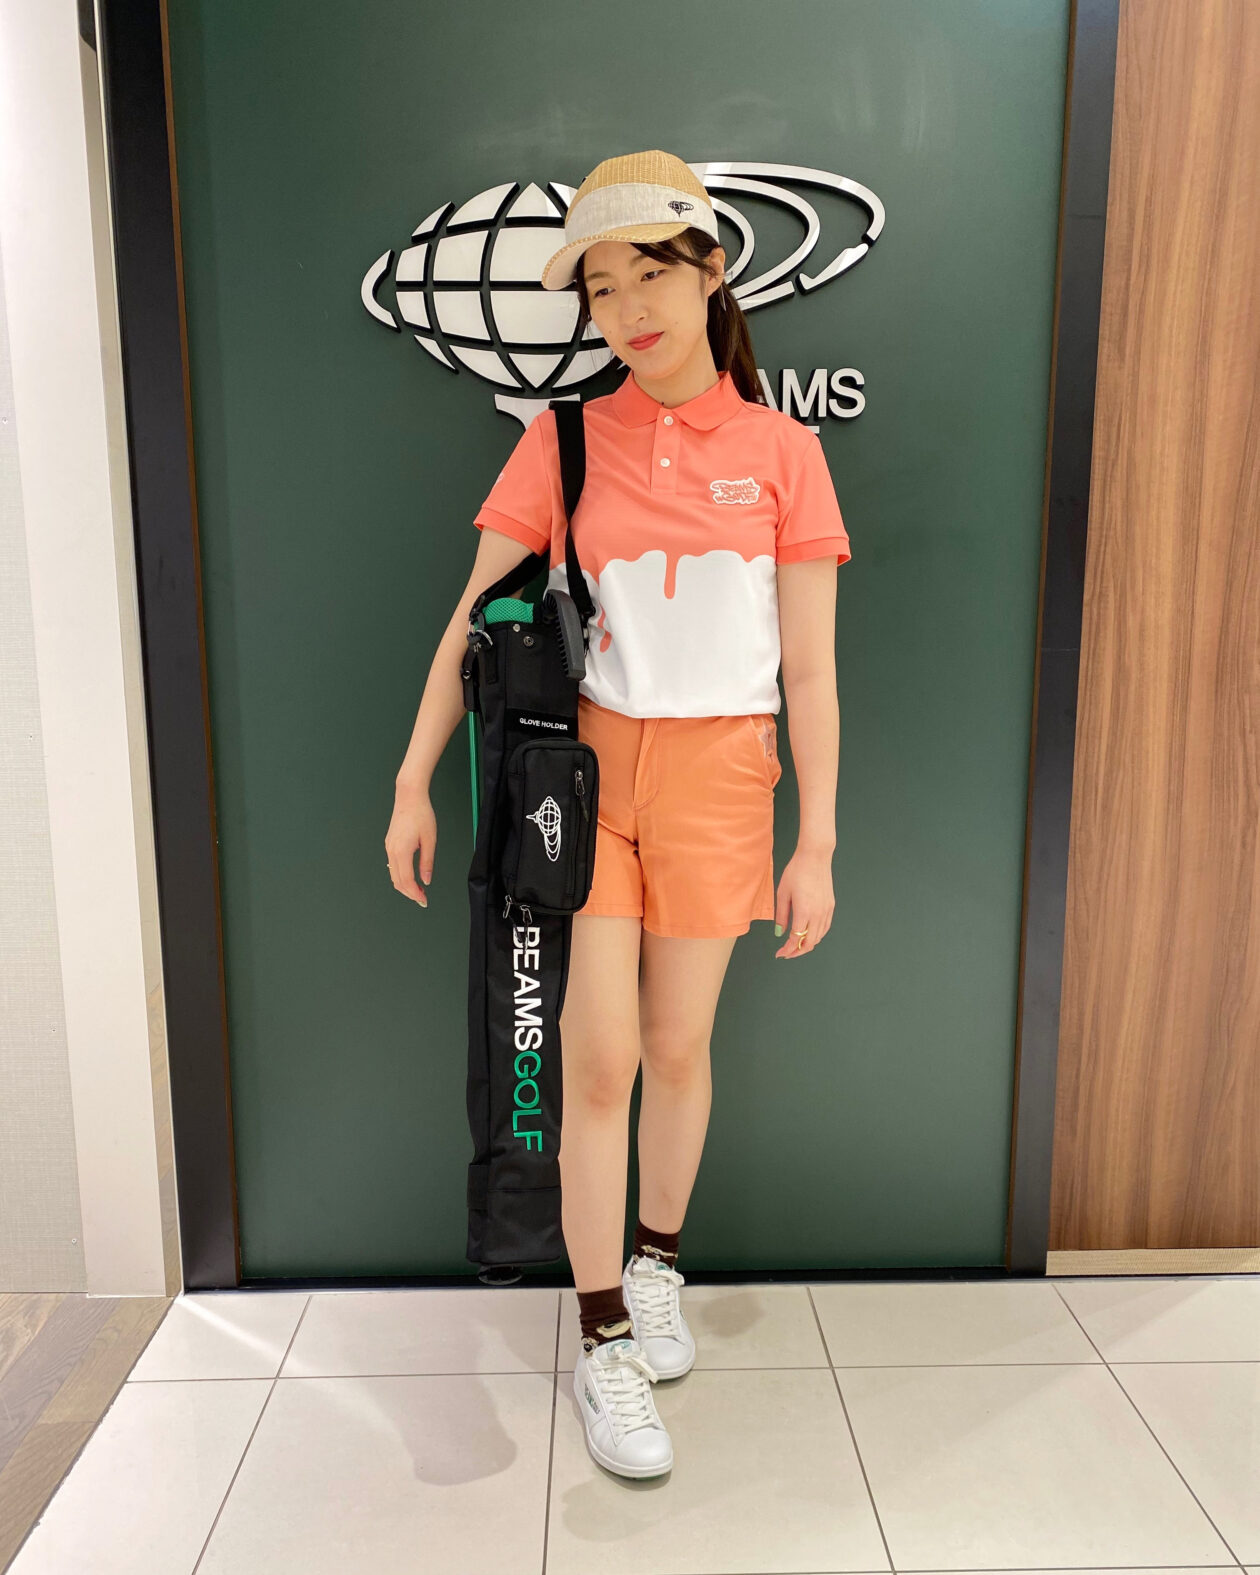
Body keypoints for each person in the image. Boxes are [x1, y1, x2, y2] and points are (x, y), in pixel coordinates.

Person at [384, 149, 851, 1480]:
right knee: (597, 1065)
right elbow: (476, 619)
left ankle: (656, 1265)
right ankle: (600, 1340)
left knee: (677, 1045)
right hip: (580, 785)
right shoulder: (565, 439)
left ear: (712, 271)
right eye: (601, 286)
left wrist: (817, 841)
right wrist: (414, 777)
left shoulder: (784, 454)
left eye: (650, 272)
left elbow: (811, 672)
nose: (628, 308)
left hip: (724, 775)